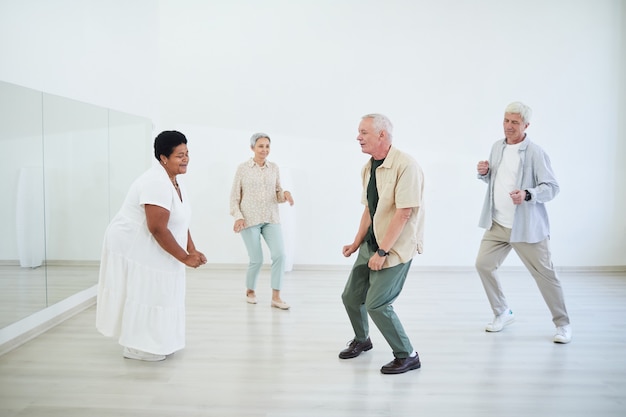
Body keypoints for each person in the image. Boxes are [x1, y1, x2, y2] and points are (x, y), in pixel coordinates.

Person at [96, 130, 207, 361]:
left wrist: (192, 249)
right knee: (149, 288)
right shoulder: (156, 182)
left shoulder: (175, 181)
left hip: (150, 236)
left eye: (187, 153)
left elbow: (179, 219)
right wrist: (184, 258)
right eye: (179, 155)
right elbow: (157, 228)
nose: (185, 159)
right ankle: (139, 346)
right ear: (163, 158)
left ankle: (159, 340)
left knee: (165, 287)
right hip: (130, 242)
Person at [475, 101, 571, 344]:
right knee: (484, 265)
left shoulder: (536, 153)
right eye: (506, 120)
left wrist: (528, 194)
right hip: (497, 224)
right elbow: (498, 181)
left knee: (546, 276)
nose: (508, 126)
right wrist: (485, 173)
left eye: (514, 122)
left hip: (527, 228)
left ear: (526, 125)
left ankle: (563, 324)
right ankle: (502, 312)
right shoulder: (497, 147)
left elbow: (552, 188)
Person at [339, 113, 425, 375]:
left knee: (377, 304)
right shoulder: (368, 167)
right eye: (359, 132)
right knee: (351, 297)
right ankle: (362, 339)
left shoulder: (406, 166)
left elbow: (403, 213)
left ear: (381, 135)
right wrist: (356, 243)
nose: (358, 137)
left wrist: (382, 251)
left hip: (394, 247)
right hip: (371, 244)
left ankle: (407, 355)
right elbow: (369, 209)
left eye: (363, 132)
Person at [230, 132, 294, 310]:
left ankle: (276, 297)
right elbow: (234, 197)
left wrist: (285, 194)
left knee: (280, 254)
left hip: (271, 218)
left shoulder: (274, 168)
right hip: (248, 220)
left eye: (267, 146)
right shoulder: (243, 168)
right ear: (252, 148)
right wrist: (238, 217)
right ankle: (250, 290)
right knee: (256, 259)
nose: (264, 150)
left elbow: (277, 192)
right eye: (260, 146)